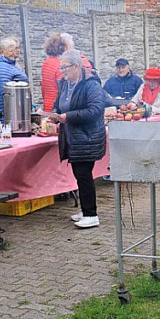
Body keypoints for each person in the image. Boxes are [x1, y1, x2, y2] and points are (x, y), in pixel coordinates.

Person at [50, 49, 107, 229]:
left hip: (87, 138)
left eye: (65, 67)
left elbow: (95, 110)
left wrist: (69, 116)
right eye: (61, 67)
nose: (62, 71)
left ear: (76, 66)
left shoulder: (91, 84)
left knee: (83, 175)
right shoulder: (64, 84)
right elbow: (58, 105)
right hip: (72, 138)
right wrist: (53, 115)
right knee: (79, 174)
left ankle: (91, 214)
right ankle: (85, 210)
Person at [0, 36, 28, 115]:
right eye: (11, 50)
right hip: (12, 112)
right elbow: (4, 92)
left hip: (18, 107)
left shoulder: (10, 63)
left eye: (15, 49)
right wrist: (8, 115)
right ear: (2, 52)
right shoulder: (1, 67)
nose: (14, 52)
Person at [41, 32, 75, 112]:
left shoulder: (47, 62)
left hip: (47, 105)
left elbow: (43, 87)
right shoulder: (61, 65)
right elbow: (64, 90)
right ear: (64, 48)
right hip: (57, 109)